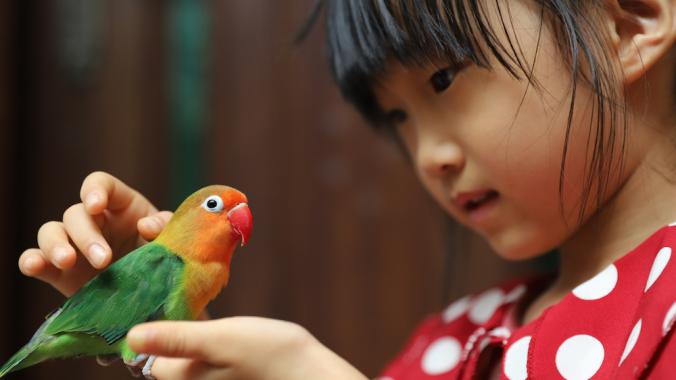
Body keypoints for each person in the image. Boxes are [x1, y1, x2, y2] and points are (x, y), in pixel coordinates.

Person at [18, 0, 676, 378]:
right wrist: (173, 333)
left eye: (443, 79)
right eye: (398, 119)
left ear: (632, 23)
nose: (429, 156)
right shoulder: (448, 341)